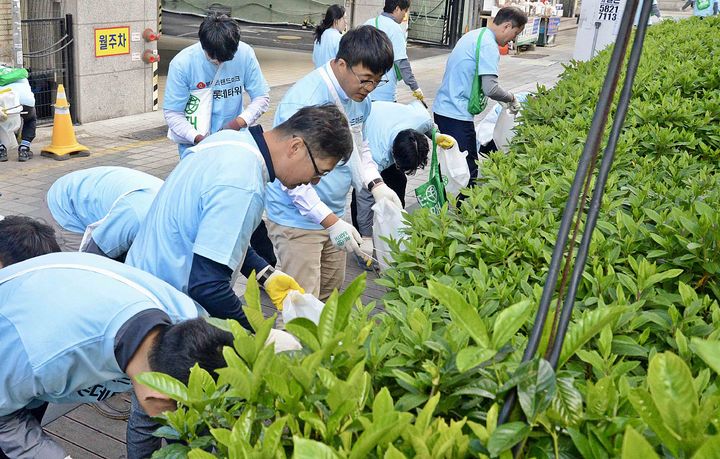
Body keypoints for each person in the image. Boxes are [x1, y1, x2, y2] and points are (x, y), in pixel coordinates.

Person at [126, 104, 353, 330]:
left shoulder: (229, 141)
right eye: (319, 172)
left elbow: (216, 239)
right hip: (168, 315)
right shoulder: (244, 184)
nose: (314, 182)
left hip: (142, 292)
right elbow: (208, 286)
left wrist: (266, 275)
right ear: (296, 147)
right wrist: (259, 334)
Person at [0, 251, 233, 459]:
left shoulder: (188, 317)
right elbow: (4, 420)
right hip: (16, 336)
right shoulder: (41, 359)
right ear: (156, 399)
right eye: (182, 418)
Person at [264, 25, 399, 301]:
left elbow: (360, 146)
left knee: (329, 296)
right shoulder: (305, 101)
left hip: (335, 215)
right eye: (365, 79)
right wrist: (331, 221)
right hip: (298, 221)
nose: (370, 88)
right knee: (301, 307)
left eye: (377, 81)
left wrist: (376, 185)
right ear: (341, 64)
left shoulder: (360, 99)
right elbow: (289, 177)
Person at [433, 7, 527, 186]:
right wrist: (511, 99)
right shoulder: (488, 45)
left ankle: (446, 205)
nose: (513, 39)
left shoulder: (476, 35)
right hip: (456, 114)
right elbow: (491, 88)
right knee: (468, 172)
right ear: (507, 26)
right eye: (515, 33)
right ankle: (462, 212)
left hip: (444, 109)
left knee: (450, 167)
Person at [163, 13, 270, 159]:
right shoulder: (182, 64)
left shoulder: (245, 53)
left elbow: (261, 97)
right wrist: (199, 139)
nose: (219, 63)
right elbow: (173, 113)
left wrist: (238, 123)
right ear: (203, 45)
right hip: (196, 148)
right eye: (214, 59)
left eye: (225, 59)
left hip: (234, 141)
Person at [351, 100, 433, 240]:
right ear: (393, 155)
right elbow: (364, 197)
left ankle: (395, 224)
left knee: (399, 180)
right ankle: (359, 236)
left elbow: (429, 123)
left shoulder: (422, 120)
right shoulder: (377, 155)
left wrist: (436, 136)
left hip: (388, 117)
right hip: (366, 123)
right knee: (365, 191)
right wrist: (366, 236)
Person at [44, 166, 163, 261]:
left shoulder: (172, 206)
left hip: (102, 191)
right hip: (67, 202)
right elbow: (95, 253)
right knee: (80, 266)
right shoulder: (136, 217)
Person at [365, 0, 425, 103]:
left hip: (365, 90)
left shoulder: (368, 23)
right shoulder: (395, 29)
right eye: (405, 11)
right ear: (397, 9)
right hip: (384, 92)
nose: (404, 15)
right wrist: (415, 87)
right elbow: (401, 62)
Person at [0, 66, 36, 162]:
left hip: (5, 105)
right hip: (26, 103)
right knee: (30, 120)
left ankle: (1, 149)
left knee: (1, 122)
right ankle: (24, 148)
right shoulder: (20, 72)